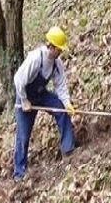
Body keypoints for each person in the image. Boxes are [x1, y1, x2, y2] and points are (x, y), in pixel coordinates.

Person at [13, 26, 76, 182]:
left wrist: (67, 103)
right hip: (26, 98)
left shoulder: (57, 63)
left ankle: (69, 150)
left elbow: (60, 85)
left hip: (41, 95)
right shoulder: (35, 58)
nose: (60, 52)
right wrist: (24, 100)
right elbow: (18, 80)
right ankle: (19, 173)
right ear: (51, 46)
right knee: (23, 135)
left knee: (61, 110)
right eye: (59, 49)